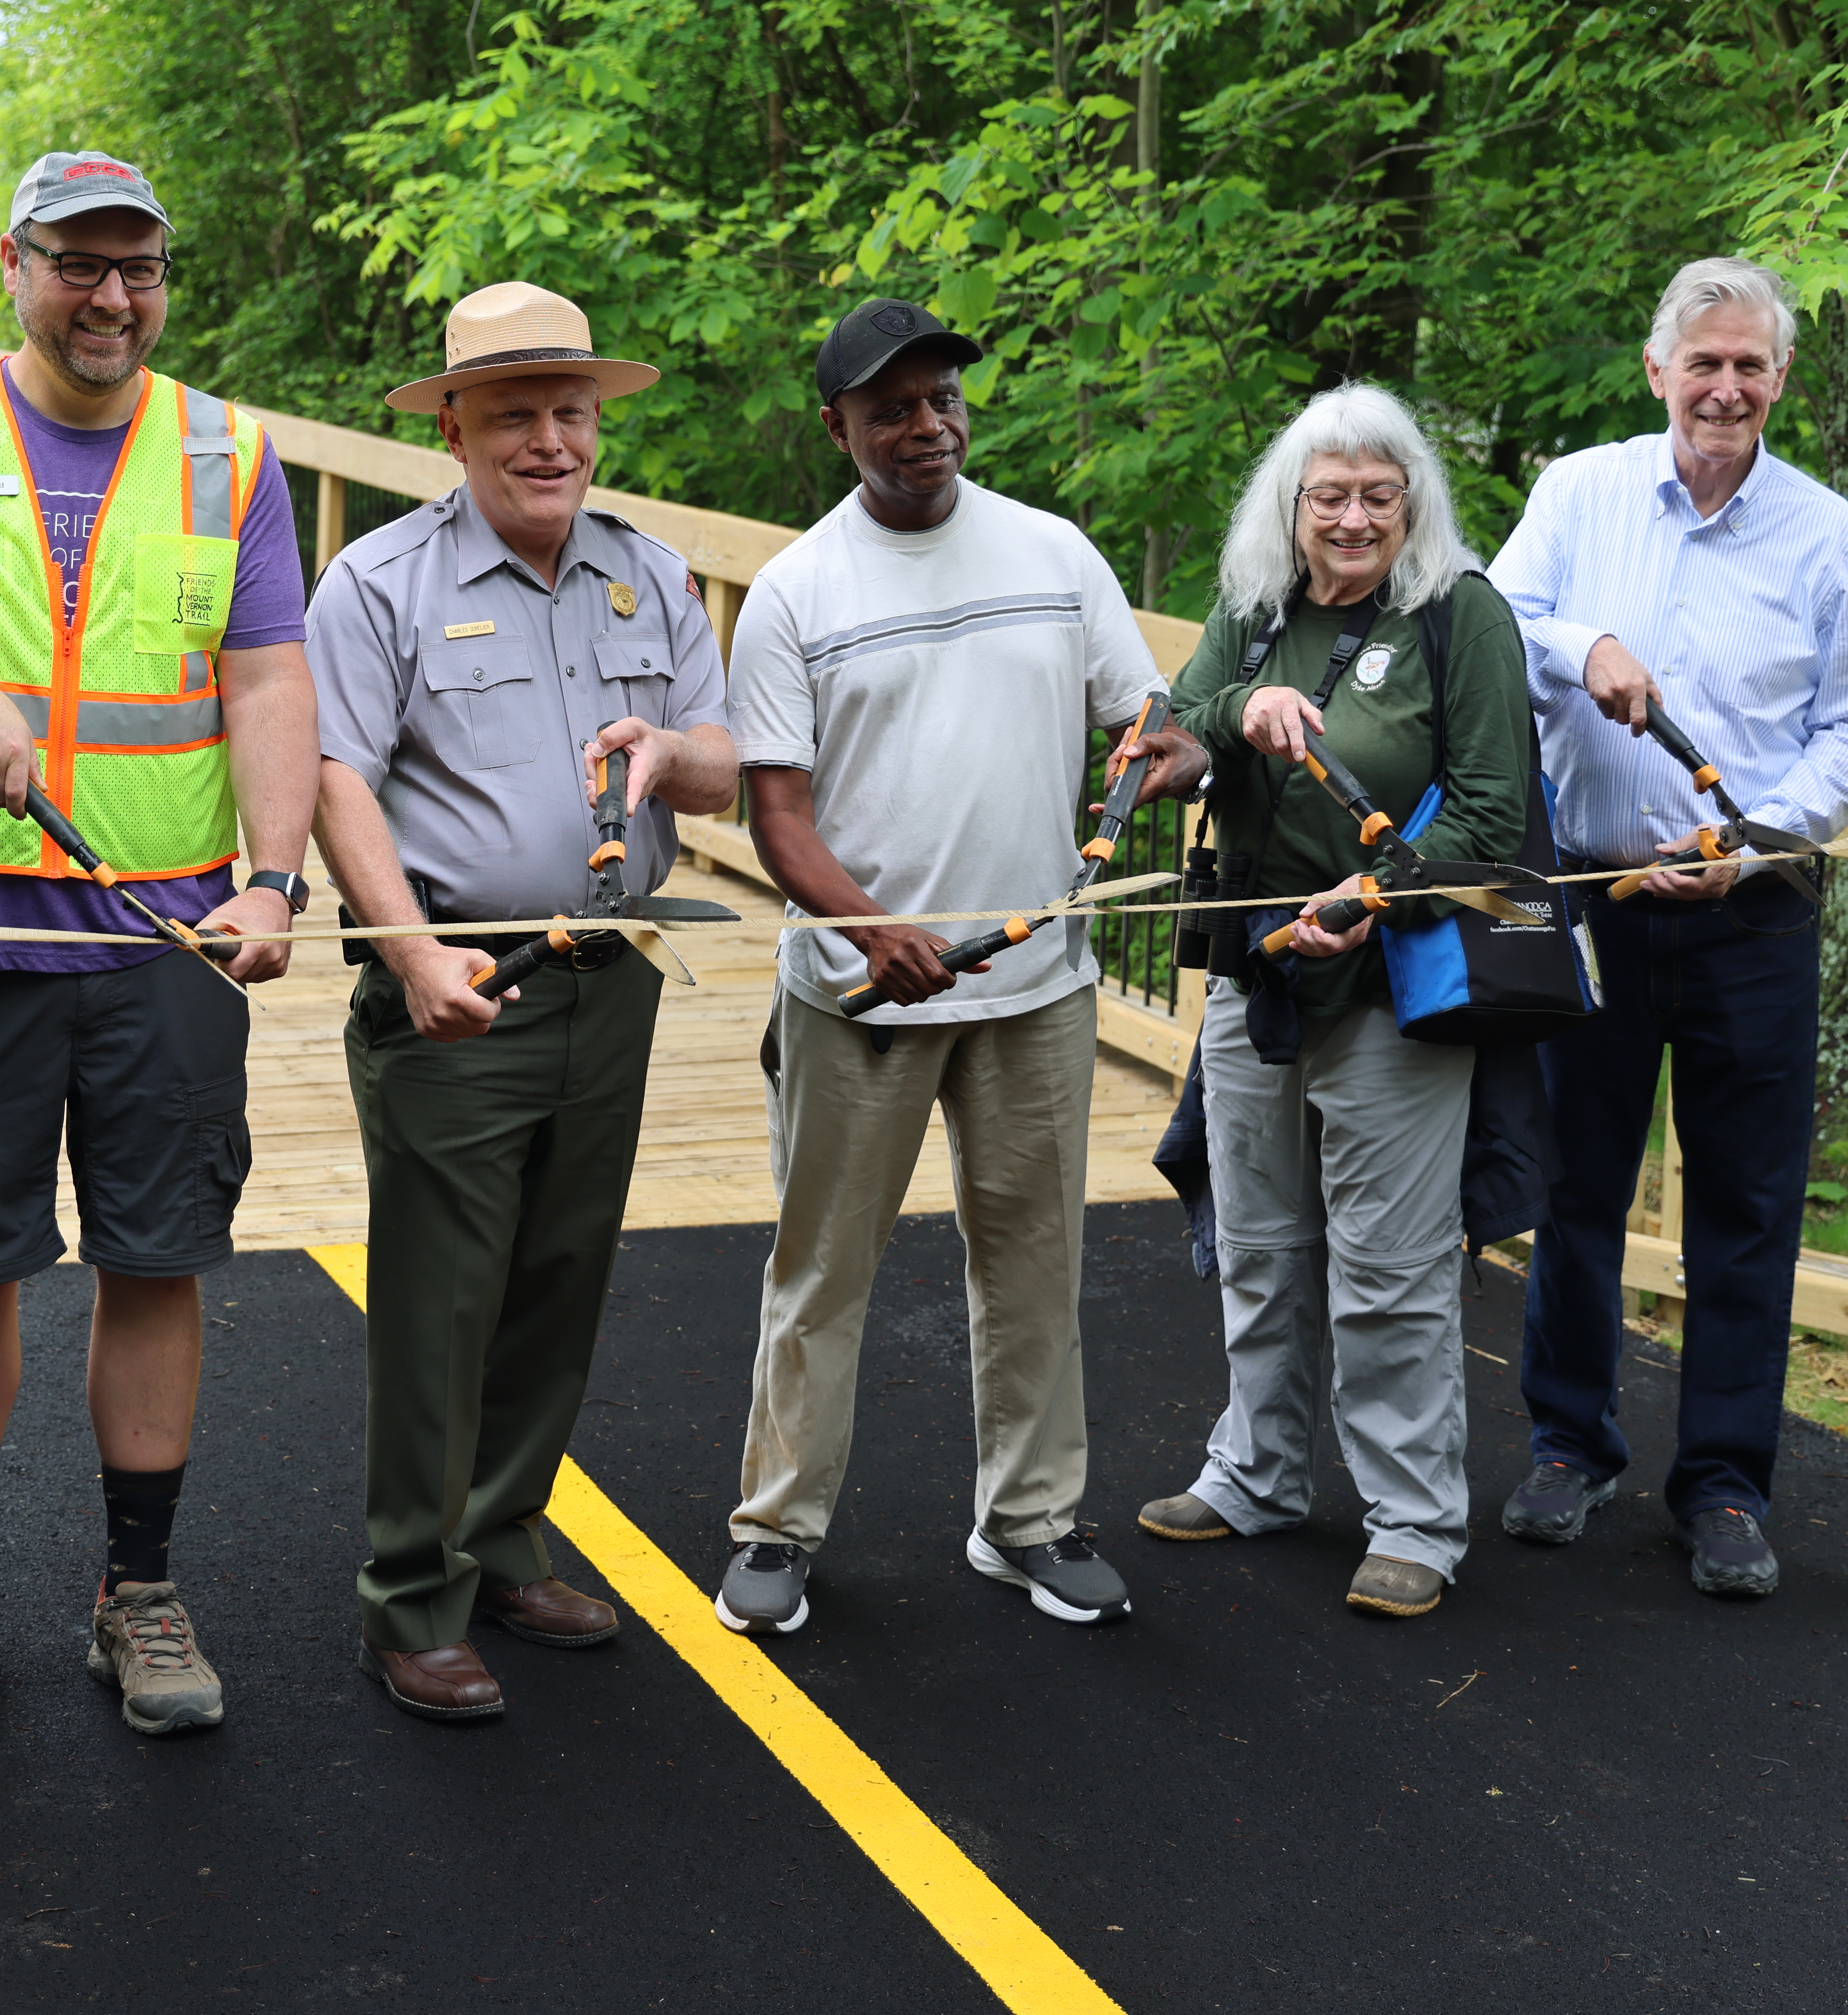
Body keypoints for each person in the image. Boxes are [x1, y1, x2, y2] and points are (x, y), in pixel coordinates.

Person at [0, 150, 317, 1736]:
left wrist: (281, 883)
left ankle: (141, 1591)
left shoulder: (230, 455)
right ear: (14, 265)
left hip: (169, 944)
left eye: (140, 270)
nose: (112, 299)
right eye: (77, 264)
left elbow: (265, 683)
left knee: (156, 1261)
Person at [713, 297, 1201, 1638]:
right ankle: (777, 1530)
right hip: (860, 996)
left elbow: (1148, 722)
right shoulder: (799, 591)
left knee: (1036, 1262)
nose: (924, 427)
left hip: (1035, 995)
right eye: (891, 410)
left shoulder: (1054, 553)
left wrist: (1169, 759)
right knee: (822, 1271)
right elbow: (777, 817)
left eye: (941, 401)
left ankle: (1031, 1519)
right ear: (839, 429)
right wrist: (875, 928)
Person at [308, 281, 737, 1720]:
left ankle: (502, 1540)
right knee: (443, 1302)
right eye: (514, 415)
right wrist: (409, 950)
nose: (549, 441)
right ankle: (410, 1598)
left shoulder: (655, 576)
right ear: (453, 426)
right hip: (462, 981)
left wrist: (673, 756)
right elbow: (335, 780)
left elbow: (731, 761)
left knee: (560, 1281)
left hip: (614, 984)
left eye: (571, 413)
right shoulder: (379, 586)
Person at [1487, 256, 1848, 1599]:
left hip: (1749, 916)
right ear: (1659, 372)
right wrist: (1586, 641)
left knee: (1746, 1209)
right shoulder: (1578, 493)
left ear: (1779, 381)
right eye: (1702, 363)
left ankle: (1723, 1485)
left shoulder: (1828, 531)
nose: (1726, 387)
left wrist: (1756, 841)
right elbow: (1494, 624)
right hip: (1591, 904)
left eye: (1750, 365)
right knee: (1575, 1191)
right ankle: (1568, 1444)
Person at [1130, 387, 1533, 1618]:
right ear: (1290, 508)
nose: (1353, 518)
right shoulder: (1255, 614)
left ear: (1412, 503)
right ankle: (1256, 1470)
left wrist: (1361, 900)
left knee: (1390, 1267)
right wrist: (1220, 727)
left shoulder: (1460, 619)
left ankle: (1413, 1515)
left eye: (1377, 494)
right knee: (1259, 1246)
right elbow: (1180, 730)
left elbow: (1491, 818)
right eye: (1329, 496)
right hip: (1262, 972)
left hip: (1391, 980)